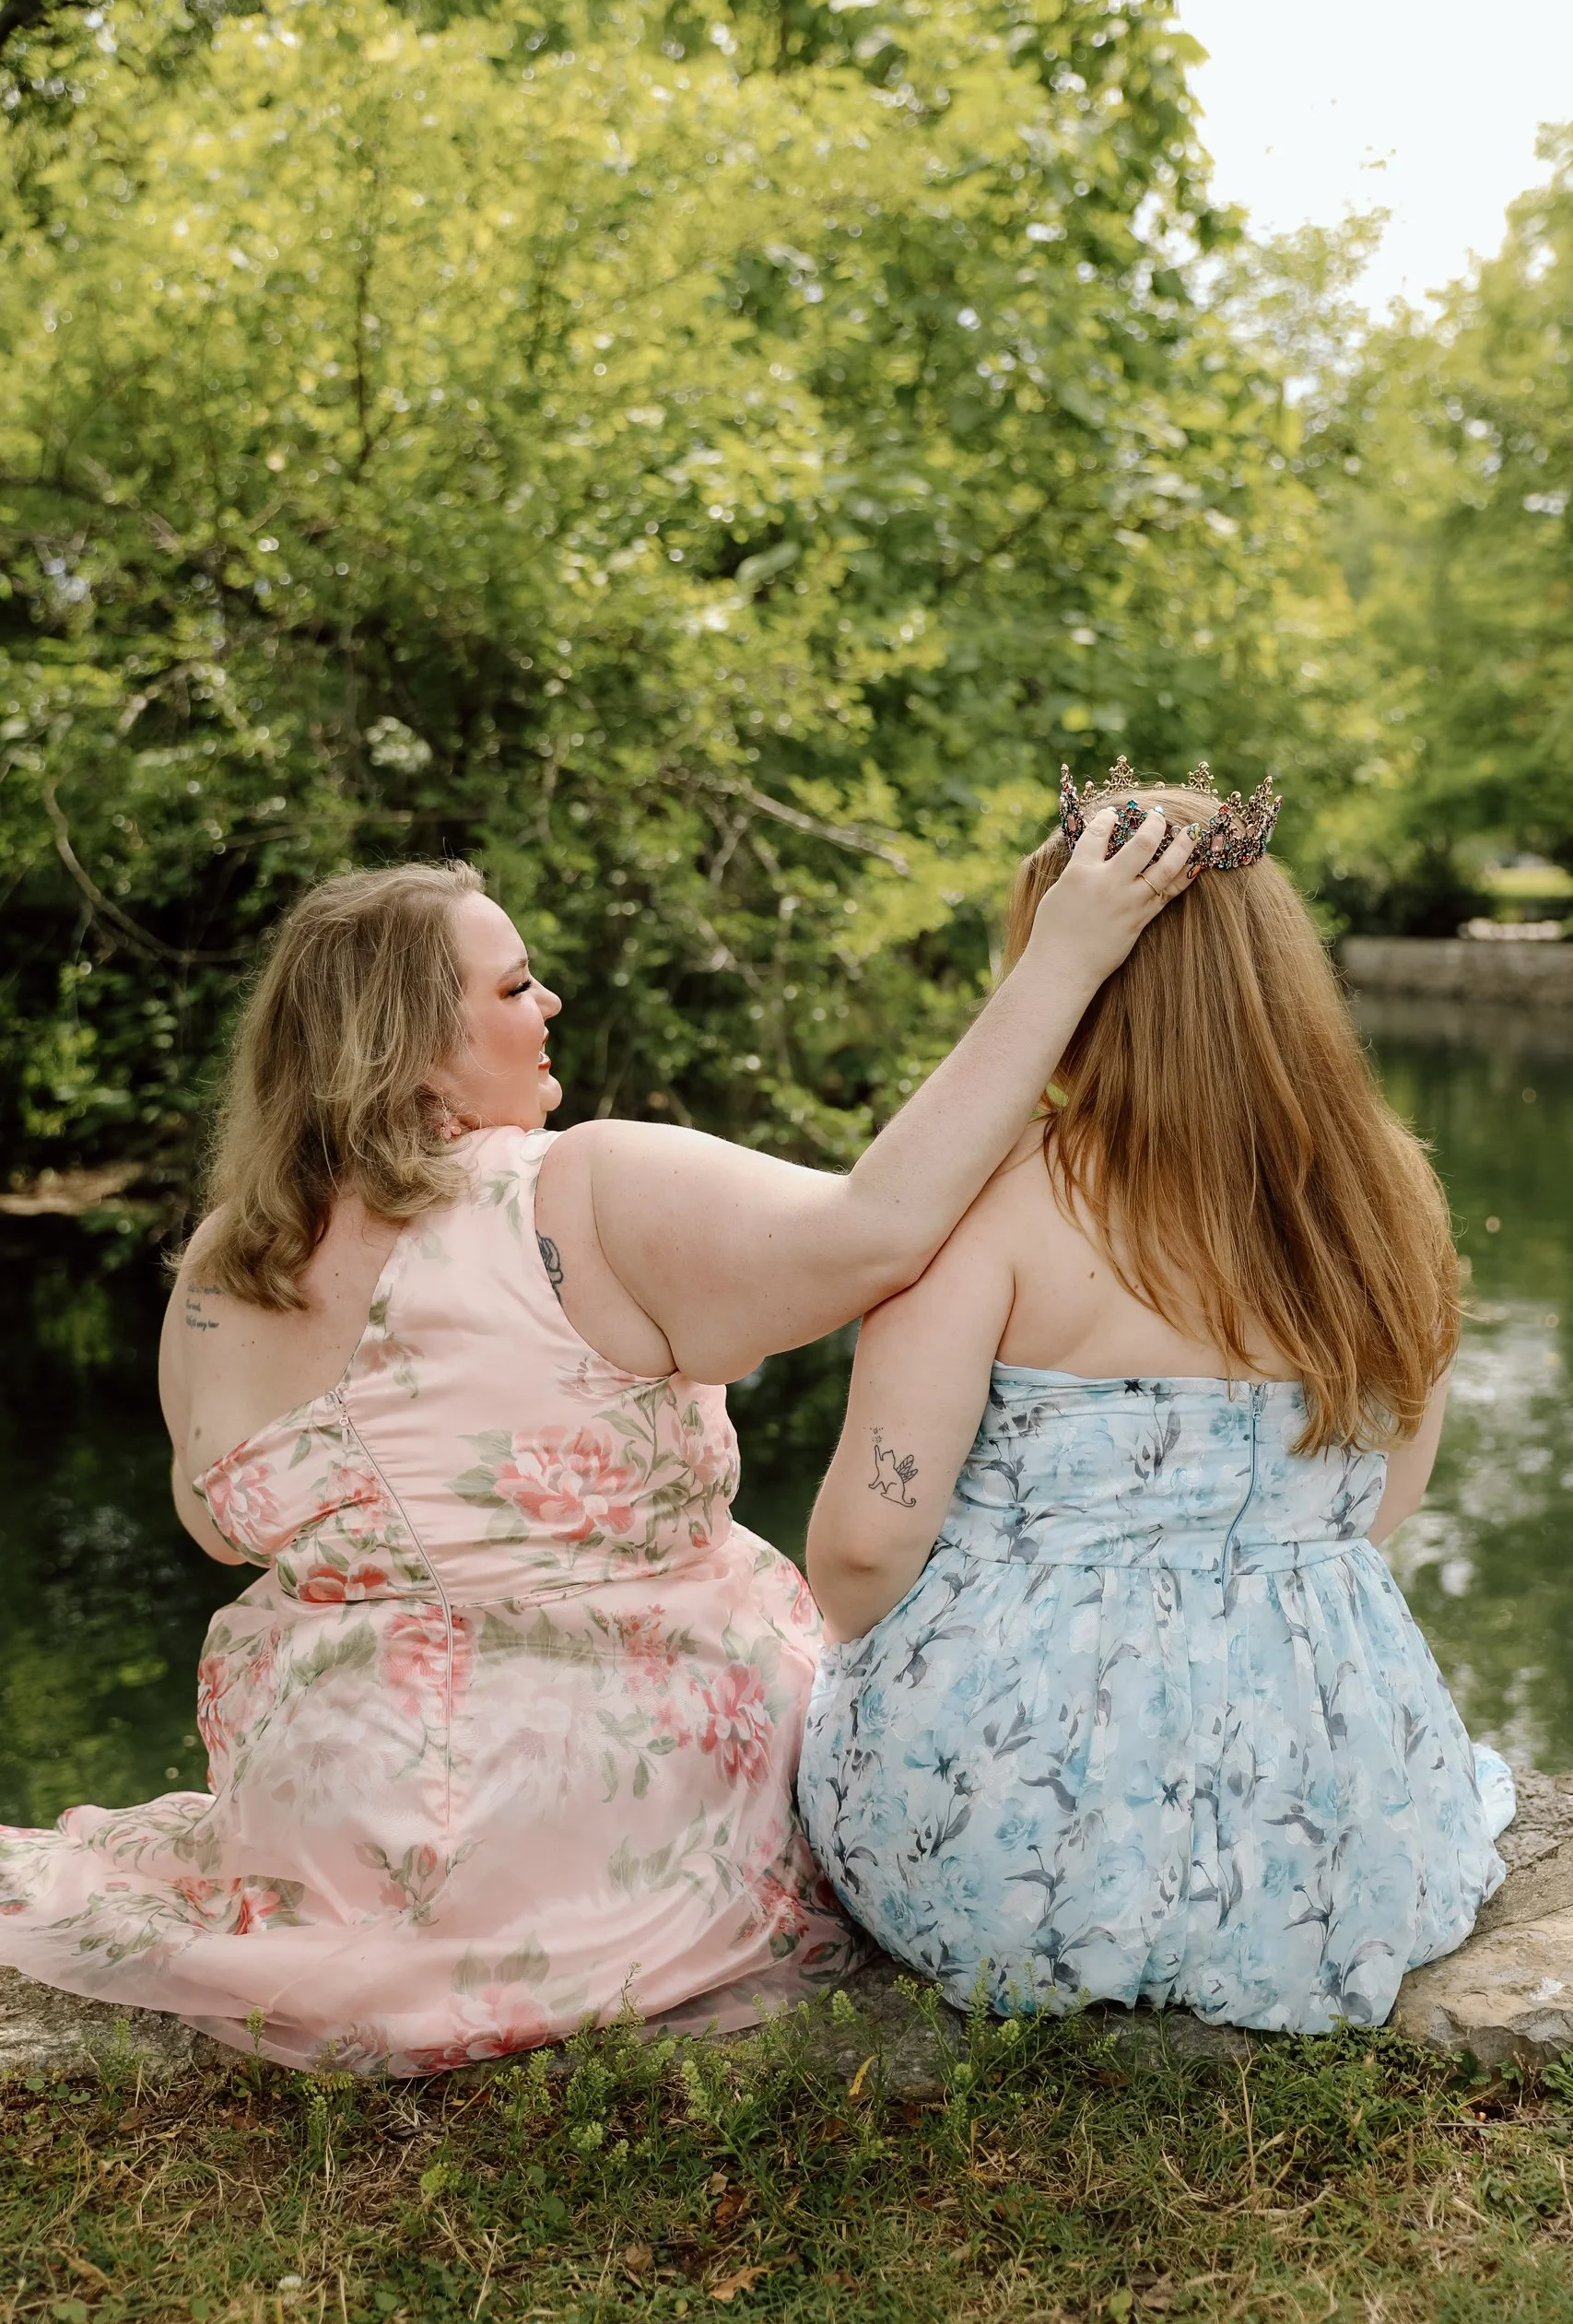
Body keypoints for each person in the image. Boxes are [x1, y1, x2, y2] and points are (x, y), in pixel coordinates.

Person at [0, 805, 1193, 2072]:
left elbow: (214, 1527)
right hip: (592, 1817)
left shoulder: (224, 1262)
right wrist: (1064, 959)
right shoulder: (577, 1190)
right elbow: (875, 1230)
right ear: (414, 1054)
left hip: (326, 1819)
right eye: (514, 985)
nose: (552, 1001)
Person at [798, 761, 1516, 2036]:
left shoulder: (999, 1198)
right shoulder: (1387, 1197)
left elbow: (859, 1553)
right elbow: (1380, 1512)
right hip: (1333, 1847)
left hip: (1007, 1855)